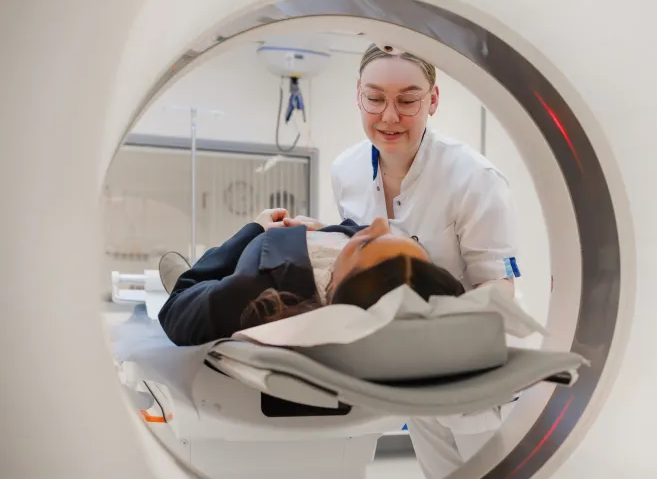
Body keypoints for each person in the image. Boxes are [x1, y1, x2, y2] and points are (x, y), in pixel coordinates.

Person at [327, 44, 521, 479]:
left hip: (472, 368)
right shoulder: (346, 171)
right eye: (375, 98)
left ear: (433, 100)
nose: (389, 116)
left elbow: (498, 285)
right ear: (358, 95)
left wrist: (444, 341)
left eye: (408, 100)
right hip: (406, 365)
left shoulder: (474, 178)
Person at [156, 207, 464, 347]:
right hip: (306, 242)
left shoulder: (255, 291)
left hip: (232, 265)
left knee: (193, 282)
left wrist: (253, 229)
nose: (379, 221)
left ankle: (195, 269)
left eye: (366, 241)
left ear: (336, 282)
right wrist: (327, 233)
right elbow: (364, 239)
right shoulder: (394, 272)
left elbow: (174, 311)